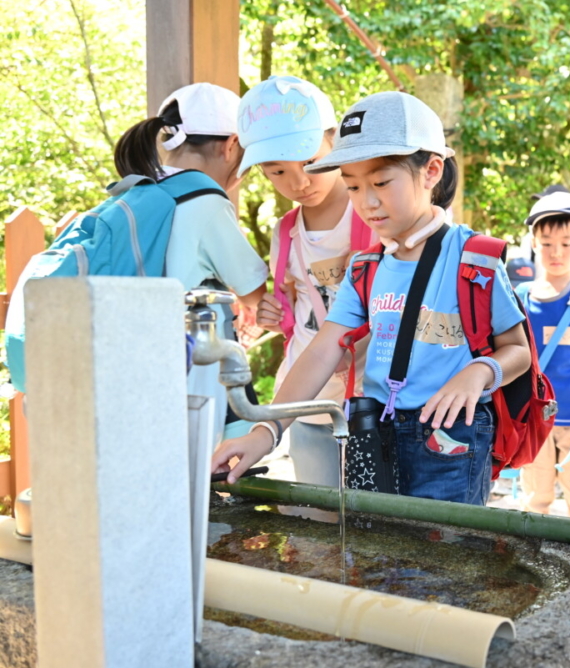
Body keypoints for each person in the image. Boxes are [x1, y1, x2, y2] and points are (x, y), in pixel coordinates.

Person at [211, 91, 531, 504]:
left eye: (381, 183)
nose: (368, 202)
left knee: (443, 559)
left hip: (450, 441)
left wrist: (478, 373)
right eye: (354, 187)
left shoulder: (473, 260)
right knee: (375, 556)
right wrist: (266, 430)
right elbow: (322, 350)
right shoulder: (366, 267)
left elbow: (518, 350)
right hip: (375, 438)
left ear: (431, 170)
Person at [235, 75, 372, 487]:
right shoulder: (285, 232)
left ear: (334, 139)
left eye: (310, 162)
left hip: (366, 399)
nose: (298, 182)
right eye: (277, 171)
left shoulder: (371, 212)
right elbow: (294, 304)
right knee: (318, 519)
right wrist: (274, 312)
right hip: (305, 400)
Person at [114, 82, 269, 444]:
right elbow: (254, 292)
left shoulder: (138, 191)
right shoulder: (205, 197)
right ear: (232, 145)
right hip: (196, 366)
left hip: (140, 360)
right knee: (217, 470)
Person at [515, 191, 570, 518]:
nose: (556, 252)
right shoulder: (519, 297)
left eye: (566, 242)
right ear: (533, 243)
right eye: (546, 243)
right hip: (534, 418)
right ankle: (531, 561)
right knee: (535, 501)